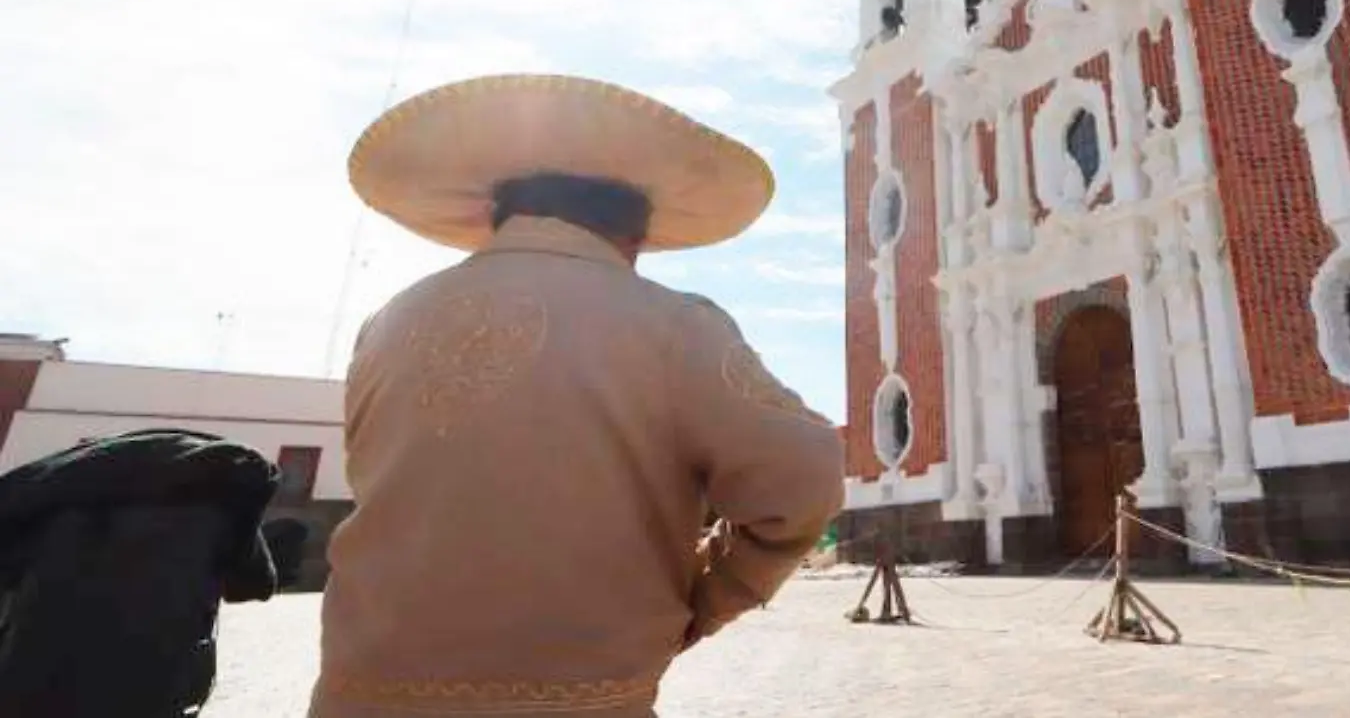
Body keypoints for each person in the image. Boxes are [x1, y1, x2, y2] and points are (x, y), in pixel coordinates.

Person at [309, 73, 844, 717]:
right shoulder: (671, 324)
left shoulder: (388, 320)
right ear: (635, 234)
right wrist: (702, 602)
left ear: (495, 213)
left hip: (354, 696)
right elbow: (806, 479)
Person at [0, 427, 281, 716]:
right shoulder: (220, 484)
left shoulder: (58, 485)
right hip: (155, 675)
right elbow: (255, 585)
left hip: (31, 670)